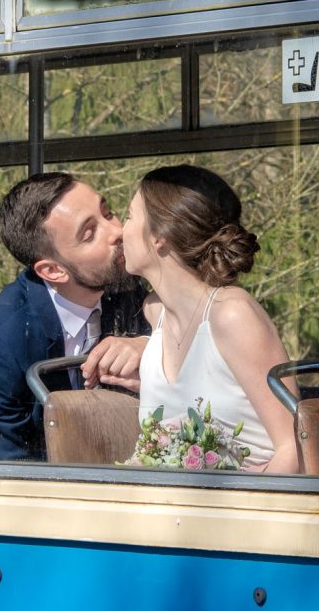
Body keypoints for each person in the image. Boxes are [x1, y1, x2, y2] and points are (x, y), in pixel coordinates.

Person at [0, 172, 149, 460]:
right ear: (53, 271)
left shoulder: (129, 291)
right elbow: (4, 476)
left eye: (108, 213)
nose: (116, 231)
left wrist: (152, 347)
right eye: (89, 234)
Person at [121, 165, 299, 473]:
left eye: (128, 217)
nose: (118, 231)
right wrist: (137, 345)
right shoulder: (155, 314)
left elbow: (294, 446)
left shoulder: (233, 315)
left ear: (159, 236)